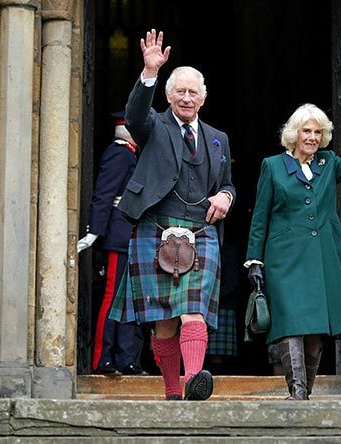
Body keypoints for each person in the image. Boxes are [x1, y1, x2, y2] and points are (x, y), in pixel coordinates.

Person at [108, 29, 236, 401]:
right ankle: (171, 390)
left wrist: (227, 196)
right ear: (168, 95)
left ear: (204, 98)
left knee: (193, 310)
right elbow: (134, 113)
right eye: (179, 91)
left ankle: (194, 379)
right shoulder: (153, 126)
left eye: (193, 91)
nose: (186, 97)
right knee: (164, 321)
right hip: (156, 227)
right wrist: (149, 71)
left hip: (202, 231)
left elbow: (228, 182)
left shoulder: (218, 138)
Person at [245, 86, 341, 400]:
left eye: (318, 132)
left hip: (321, 258)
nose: (313, 137)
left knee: (315, 329)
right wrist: (254, 261)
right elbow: (260, 217)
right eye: (307, 131)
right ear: (294, 133)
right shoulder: (273, 166)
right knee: (290, 323)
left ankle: (306, 393)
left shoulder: (327, 163)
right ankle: (297, 392)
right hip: (284, 260)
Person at [77, 112, 146, 376]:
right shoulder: (120, 153)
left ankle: (125, 358)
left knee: (129, 301)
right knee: (111, 299)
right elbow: (104, 194)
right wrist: (94, 232)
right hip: (118, 237)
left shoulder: (131, 155)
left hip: (130, 237)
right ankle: (102, 359)